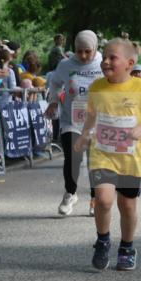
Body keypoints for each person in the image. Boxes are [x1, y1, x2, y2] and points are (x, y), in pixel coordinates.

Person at [73, 38, 141, 271]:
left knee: (128, 206)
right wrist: (84, 135)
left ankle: (127, 247)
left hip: (131, 159)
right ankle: (103, 241)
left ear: (130, 63)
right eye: (105, 57)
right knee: (103, 199)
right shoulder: (97, 87)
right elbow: (92, 116)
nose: (106, 61)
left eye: (113, 58)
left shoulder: (139, 88)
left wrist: (139, 130)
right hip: (102, 154)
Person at [47, 30, 104, 216]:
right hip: (71, 120)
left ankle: (95, 198)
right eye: (79, 51)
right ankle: (70, 193)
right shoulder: (65, 65)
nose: (83, 56)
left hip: (97, 121)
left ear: (95, 48)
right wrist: (54, 101)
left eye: (88, 51)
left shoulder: (103, 63)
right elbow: (54, 83)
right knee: (73, 157)